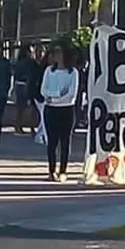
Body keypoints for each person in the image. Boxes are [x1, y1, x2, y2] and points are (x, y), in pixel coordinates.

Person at [38, 43, 80, 182]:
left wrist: (55, 98)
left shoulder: (72, 72)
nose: (56, 55)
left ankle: (63, 170)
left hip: (66, 109)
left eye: (58, 52)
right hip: (51, 110)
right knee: (52, 141)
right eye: (54, 52)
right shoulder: (50, 71)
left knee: (65, 141)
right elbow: (43, 90)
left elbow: (71, 93)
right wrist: (55, 95)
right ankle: (51, 170)